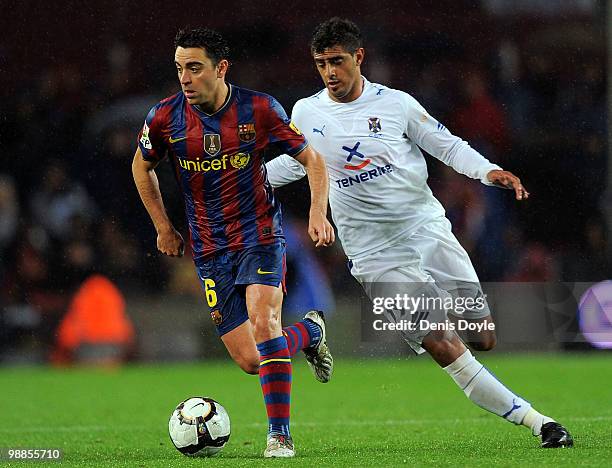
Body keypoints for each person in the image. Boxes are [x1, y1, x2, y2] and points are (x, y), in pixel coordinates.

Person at [266, 18, 573, 448]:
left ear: (358, 58)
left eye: (337, 61)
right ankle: (539, 422)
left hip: (425, 231)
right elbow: (298, 163)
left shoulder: (397, 105)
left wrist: (488, 171)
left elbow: (445, 144)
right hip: (375, 255)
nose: (329, 72)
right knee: (444, 344)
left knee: (482, 337)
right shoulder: (306, 112)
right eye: (321, 64)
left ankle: (445, 312)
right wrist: (247, 180)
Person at [131, 27, 335, 458]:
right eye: (179, 68)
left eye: (195, 68)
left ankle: (279, 435)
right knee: (251, 360)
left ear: (221, 68)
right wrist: (164, 228)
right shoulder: (164, 117)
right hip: (210, 249)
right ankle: (310, 331)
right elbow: (141, 167)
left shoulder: (259, 108)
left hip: (260, 235)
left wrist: (318, 212)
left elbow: (311, 159)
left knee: (265, 326)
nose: (185, 78)